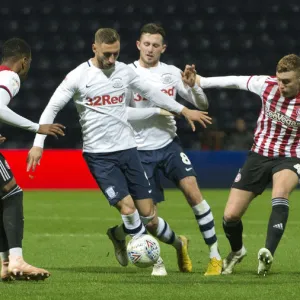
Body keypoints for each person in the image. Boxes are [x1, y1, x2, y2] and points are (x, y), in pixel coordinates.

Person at [25, 28, 211, 276]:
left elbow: (152, 93)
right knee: (128, 208)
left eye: (116, 54)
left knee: (148, 214)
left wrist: (183, 110)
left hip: (129, 150)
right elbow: (51, 108)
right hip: (99, 156)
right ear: (94, 48)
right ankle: (155, 260)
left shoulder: (124, 71)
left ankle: (140, 238)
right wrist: (38, 143)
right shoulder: (78, 76)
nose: (112, 60)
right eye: (107, 55)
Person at [115, 23, 222, 276]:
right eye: (147, 44)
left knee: (193, 193)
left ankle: (215, 256)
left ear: (163, 48)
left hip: (169, 146)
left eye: (156, 45)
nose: (150, 50)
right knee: (149, 220)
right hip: (139, 152)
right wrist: (157, 110)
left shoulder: (172, 73)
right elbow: (120, 111)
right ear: (139, 45)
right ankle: (179, 243)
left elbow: (202, 104)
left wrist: (193, 86)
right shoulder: (127, 74)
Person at [189, 53, 300, 275]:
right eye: (279, 79)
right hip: (258, 155)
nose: (280, 85)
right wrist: (200, 81)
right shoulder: (267, 85)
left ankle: (267, 253)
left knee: (280, 192)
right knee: (230, 216)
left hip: (290, 157)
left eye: (286, 81)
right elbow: (235, 80)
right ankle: (237, 250)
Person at [0, 38, 65, 281]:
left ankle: (6, 264)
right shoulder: (10, 77)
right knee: (11, 193)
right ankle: (15, 261)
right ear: (24, 61)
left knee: (3, 196)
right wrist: (37, 127)